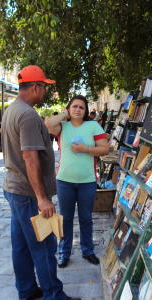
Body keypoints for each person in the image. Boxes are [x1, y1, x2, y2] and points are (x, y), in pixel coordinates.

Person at [1, 65, 79, 300]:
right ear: (35, 87)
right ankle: (53, 294)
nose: (45, 91)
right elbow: (30, 158)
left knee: (22, 246)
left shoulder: (12, 110)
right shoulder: (27, 115)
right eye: (44, 87)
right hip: (27, 193)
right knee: (44, 246)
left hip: (14, 189)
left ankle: (26, 290)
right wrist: (42, 198)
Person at [45, 95, 109, 268]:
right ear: (69, 108)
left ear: (86, 110)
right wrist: (63, 114)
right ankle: (64, 252)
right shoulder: (62, 126)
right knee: (65, 218)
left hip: (87, 181)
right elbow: (48, 124)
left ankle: (87, 251)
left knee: (86, 218)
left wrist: (85, 149)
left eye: (81, 107)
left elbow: (105, 148)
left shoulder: (93, 126)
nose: (78, 110)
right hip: (64, 181)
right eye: (74, 106)